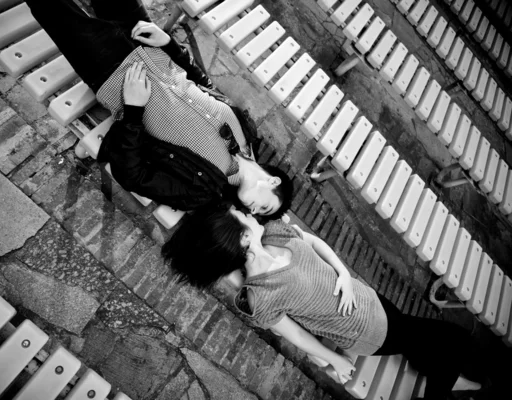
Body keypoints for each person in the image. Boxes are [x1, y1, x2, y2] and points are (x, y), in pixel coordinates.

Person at [162, 205, 484, 400]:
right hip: (365, 331)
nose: (247, 211)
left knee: (421, 340)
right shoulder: (259, 296)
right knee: (447, 338)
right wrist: (336, 360)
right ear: (244, 238)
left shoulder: (274, 232)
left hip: (365, 296)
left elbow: (314, 242)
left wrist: (342, 272)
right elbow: (298, 338)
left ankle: (461, 381)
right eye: (241, 215)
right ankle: (452, 384)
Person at [25, 0, 293, 218]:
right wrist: (168, 43)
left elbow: (132, 175)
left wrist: (132, 110)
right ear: (274, 183)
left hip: (112, 72)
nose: (253, 210)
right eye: (265, 206)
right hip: (151, 46)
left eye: (255, 214)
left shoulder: (202, 192)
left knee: (52, 6)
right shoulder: (248, 133)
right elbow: (203, 83)